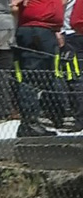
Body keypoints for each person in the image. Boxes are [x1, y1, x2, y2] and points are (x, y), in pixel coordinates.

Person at [10, 0, 66, 137]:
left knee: (45, 76)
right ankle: (29, 122)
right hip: (35, 30)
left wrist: (57, 30)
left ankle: (47, 116)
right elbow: (13, 5)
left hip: (47, 30)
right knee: (31, 77)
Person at [58, 0, 83, 131]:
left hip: (72, 35)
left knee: (75, 77)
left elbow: (59, 5)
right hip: (74, 34)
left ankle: (80, 119)